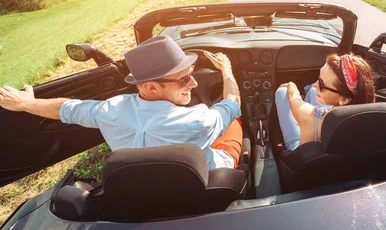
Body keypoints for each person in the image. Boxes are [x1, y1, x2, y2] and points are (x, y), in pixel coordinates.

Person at [0, 35, 243, 170]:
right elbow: (233, 101)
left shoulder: (110, 110)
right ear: (151, 87)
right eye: (184, 79)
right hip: (209, 176)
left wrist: (25, 104)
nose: (194, 84)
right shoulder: (200, 120)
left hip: (145, 188)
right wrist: (227, 70)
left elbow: (67, 109)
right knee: (233, 122)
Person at [275, 52, 386, 151]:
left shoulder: (311, 117)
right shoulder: (377, 120)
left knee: (283, 92)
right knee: (313, 91)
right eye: (319, 79)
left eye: (322, 84)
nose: (317, 84)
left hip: (303, 154)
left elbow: (293, 99)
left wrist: (291, 84)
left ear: (344, 100)